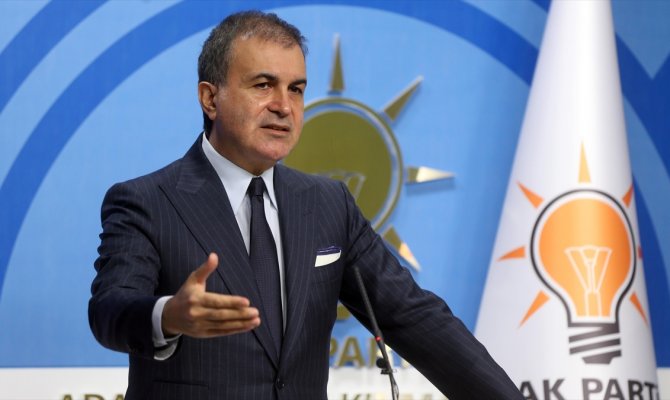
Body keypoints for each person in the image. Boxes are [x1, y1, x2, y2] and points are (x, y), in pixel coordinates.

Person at [89, 10, 522, 400]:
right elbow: (109, 310)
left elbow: (415, 317)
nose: (284, 106)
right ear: (210, 98)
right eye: (263, 85)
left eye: (296, 89)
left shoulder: (329, 204)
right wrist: (168, 316)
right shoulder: (147, 201)